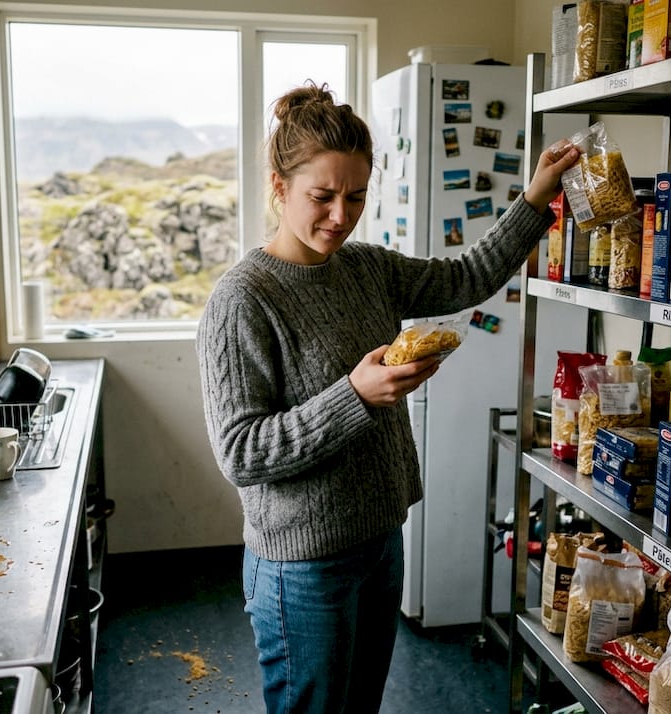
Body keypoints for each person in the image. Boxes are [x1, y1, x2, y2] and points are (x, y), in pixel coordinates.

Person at [195, 82, 580, 713]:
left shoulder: (364, 268)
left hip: (381, 539)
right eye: (321, 196)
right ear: (278, 185)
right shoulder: (242, 300)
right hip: (303, 567)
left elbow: (468, 276)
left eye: (355, 196)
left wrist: (534, 197)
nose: (340, 216)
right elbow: (241, 453)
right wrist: (355, 394)